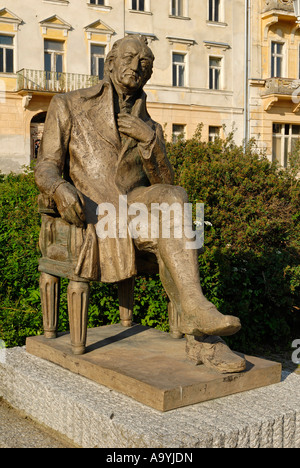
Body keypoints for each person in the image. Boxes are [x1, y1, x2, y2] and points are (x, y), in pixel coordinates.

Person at [35, 35, 246, 373]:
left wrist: (150, 141)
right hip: (94, 208)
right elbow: (45, 164)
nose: (136, 66)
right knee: (173, 233)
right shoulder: (69, 104)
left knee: (174, 199)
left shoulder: (149, 125)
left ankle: (194, 307)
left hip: (133, 209)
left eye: (144, 63)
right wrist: (60, 188)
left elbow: (166, 182)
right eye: (130, 58)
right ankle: (205, 341)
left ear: (148, 75)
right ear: (110, 64)